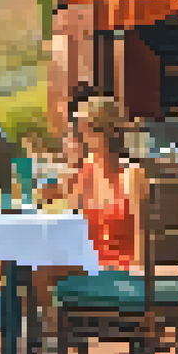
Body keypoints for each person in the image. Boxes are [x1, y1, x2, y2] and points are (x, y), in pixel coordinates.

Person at [71, 96, 149, 271]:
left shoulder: (133, 175)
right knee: (38, 269)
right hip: (91, 264)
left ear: (112, 133)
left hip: (124, 268)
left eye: (89, 129)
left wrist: (137, 276)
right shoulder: (87, 171)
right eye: (79, 131)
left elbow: (142, 236)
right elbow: (72, 222)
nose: (82, 137)